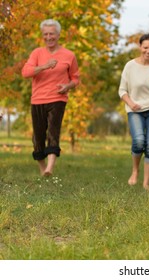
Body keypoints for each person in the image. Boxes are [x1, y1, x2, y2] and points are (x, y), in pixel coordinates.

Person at [21, 19, 79, 176]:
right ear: (42, 36)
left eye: (51, 34)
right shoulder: (37, 53)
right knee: (37, 137)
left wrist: (67, 86)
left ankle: (50, 168)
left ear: (58, 35)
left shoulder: (69, 55)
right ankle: (42, 169)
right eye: (45, 34)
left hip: (57, 98)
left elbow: (75, 78)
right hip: (38, 99)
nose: (48, 37)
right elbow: (26, 72)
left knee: (53, 131)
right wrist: (44, 66)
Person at [118, 33, 149, 191]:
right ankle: (135, 170)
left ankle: (146, 183)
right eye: (145, 47)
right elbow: (122, 90)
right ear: (140, 47)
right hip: (135, 109)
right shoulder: (130, 66)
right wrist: (131, 103)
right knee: (139, 141)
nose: (148, 51)